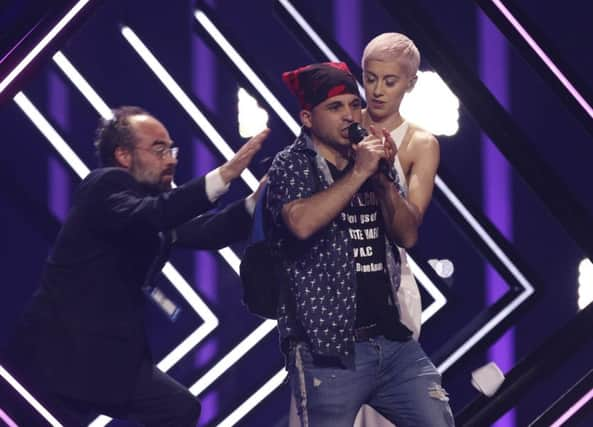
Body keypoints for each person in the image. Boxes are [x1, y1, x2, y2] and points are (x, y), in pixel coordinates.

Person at [7, 106, 269, 426]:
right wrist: (226, 174)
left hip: (105, 360)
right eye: (159, 149)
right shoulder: (105, 185)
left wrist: (256, 202)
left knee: (178, 409)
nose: (171, 159)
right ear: (123, 155)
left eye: (172, 149)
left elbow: (207, 231)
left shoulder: (151, 206)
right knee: (176, 409)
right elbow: (152, 214)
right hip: (58, 354)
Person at [268, 63, 453, 426]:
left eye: (354, 104)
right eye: (335, 108)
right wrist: (358, 174)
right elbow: (301, 223)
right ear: (308, 117)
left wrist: (382, 180)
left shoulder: (371, 162)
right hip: (327, 352)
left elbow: (407, 235)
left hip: (391, 342)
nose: (350, 116)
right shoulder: (291, 165)